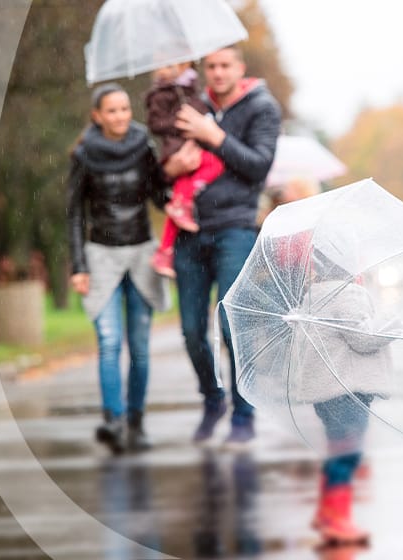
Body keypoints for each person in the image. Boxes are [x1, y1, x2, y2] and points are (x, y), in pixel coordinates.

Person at [164, 44, 281, 446]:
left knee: (232, 326)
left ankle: (243, 415)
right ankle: (212, 399)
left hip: (235, 227)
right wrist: (170, 170)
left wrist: (215, 136)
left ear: (240, 69)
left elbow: (258, 166)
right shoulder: (187, 104)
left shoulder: (261, 107)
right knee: (191, 329)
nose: (217, 72)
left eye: (225, 65)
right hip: (188, 231)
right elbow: (162, 171)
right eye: (210, 65)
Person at [67, 83, 170, 454]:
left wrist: (177, 182)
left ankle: (137, 422)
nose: (121, 117)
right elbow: (75, 213)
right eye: (112, 111)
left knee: (140, 347)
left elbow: (160, 195)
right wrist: (78, 266)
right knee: (109, 342)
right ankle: (114, 420)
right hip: (101, 256)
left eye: (125, 109)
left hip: (141, 253)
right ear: (97, 116)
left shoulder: (144, 145)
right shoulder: (84, 153)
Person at [290, 249, 394, 546]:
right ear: (351, 267)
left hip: (325, 392)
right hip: (348, 388)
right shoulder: (349, 295)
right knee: (348, 452)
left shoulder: (312, 295)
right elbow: (363, 340)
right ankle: (337, 519)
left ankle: (326, 512)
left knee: (337, 447)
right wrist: (391, 327)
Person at [144, 61, 225, 278]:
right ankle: (165, 249)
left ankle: (184, 201)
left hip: (192, 144)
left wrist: (202, 118)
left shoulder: (191, 85)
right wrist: (183, 122)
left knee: (214, 164)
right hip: (176, 147)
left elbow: (198, 107)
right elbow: (156, 124)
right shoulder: (160, 93)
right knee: (206, 169)